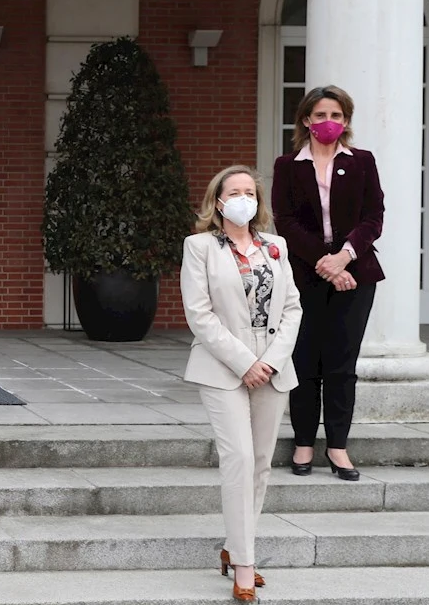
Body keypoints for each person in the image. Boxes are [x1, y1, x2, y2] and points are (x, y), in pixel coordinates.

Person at [181, 164, 302, 602]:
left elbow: (293, 309)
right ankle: (246, 565)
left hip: (271, 365)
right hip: (222, 365)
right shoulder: (199, 247)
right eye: (234, 191)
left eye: (249, 191)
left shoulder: (276, 246)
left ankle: (234, 548)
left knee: (262, 462)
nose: (243, 197)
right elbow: (199, 314)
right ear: (218, 201)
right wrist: (244, 362)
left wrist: (268, 362)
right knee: (238, 458)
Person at [272, 85, 384, 482]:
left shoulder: (362, 162)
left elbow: (373, 217)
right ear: (306, 120)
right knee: (304, 360)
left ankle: (337, 446)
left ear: (346, 121)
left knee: (341, 363)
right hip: (305, 275)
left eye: (336, 115)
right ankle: (304, 442)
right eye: (320, 115)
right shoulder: (288, 165)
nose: (328, 122)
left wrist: (343, 258)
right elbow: (284, 220)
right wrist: (324, 263)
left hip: (356, 275)